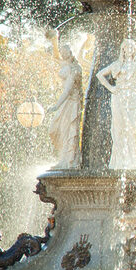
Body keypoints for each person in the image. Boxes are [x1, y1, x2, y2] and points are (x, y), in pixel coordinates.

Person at [97, 38, 136, 169]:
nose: (129, 49)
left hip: (134, 97)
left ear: (134, 49)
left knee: (135, 127)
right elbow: (100, 75)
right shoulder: (117, 64)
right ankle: (121, 160)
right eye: (127, 47)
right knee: (120, 128)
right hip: (119, 98)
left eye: (132, 47)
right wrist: (111, 88)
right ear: (123, 49)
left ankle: (134, 159)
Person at [46, 29, 83, 169]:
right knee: (57, 130)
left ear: (70, 52)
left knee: (68, 130)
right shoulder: (65, 65)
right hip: (66, 102)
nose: (62, 54)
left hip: (71, 103)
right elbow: (55, 57)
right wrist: (55, 40)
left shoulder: (75, 68)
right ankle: (63, 158)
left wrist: (56, 106)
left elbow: (67, 90)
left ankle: (69, 161)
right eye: (61, 52)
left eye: (64, 51)